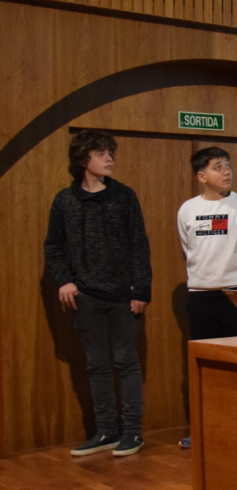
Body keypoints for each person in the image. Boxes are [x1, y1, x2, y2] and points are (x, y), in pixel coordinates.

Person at [44, 130, 151, 458]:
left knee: (126, 361)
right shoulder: (65, 200)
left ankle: (132, 432)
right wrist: (64, 280)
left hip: (123, 295)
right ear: (82, 160)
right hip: (86, 295)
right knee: (96, 364)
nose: (109, 158)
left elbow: (139, 245)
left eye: (110, 152)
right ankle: (106, 431)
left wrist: (141, 289)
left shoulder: (124, 196)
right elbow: (53, 247)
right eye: (101, 153)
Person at [176, 146, 237, 449]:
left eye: (228, 165)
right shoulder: (187, 210)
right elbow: (189, 250)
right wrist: (209, 277)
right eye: (218, 167)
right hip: (201, 296)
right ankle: (206, 430)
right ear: (201, 176)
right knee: (206, 366)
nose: (226, 171)